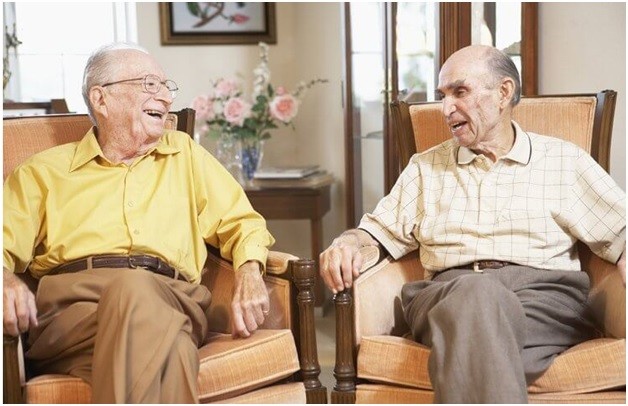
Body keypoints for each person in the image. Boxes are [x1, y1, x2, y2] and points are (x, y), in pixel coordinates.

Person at [320, 45, 626, 403]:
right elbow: (375, 233)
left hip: (544, 300)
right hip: (446, 295)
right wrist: (348, 242)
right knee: (477, 296)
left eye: (460, 92)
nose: (446, 109)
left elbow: (621, 228)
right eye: (443, 96)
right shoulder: (425, 167)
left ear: (504, 92)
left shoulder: (563, 160)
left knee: (473, 333)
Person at [3, 42, 275, 403]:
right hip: (73, 314)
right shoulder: (42, 172)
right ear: (101, 99)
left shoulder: (185, 154)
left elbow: (242, 222)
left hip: (174, 296)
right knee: (174, 350)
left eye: (165, 86)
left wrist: (250, 270)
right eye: (149, 84)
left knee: (135, 288)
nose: (165, 97)